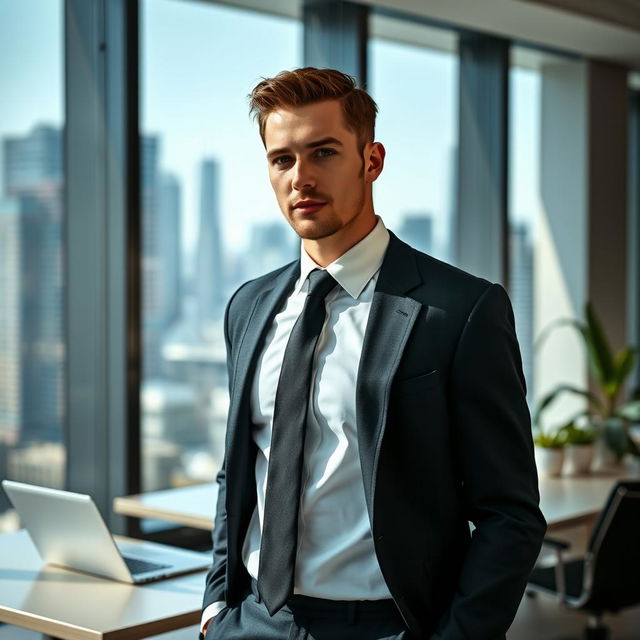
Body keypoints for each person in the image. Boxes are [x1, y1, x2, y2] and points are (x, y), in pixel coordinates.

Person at [200, 67, 546, 640]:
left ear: (372, 160)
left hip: (384, 625)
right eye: (282, 159)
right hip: (254, 621)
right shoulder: (250, 304)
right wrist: (217, 605)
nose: (300, 177)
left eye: (324, 152)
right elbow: (238, 467)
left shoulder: (459, 310)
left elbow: (510, 512)